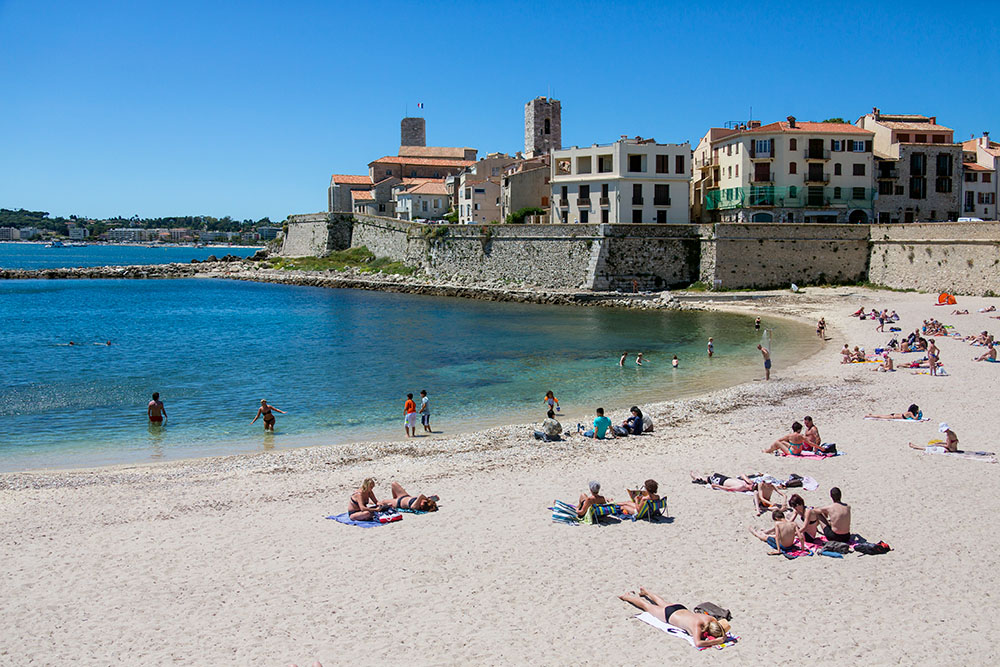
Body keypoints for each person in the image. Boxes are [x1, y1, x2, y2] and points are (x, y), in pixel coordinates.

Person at [617, 589, 730, 648]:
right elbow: (698, 643)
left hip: (680, 608)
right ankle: (626, 597)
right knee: (646, 606)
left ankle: (646, 592)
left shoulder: (710, 619)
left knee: (661, 602)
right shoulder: (697, 627)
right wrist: (717, 641)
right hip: (669, 615)